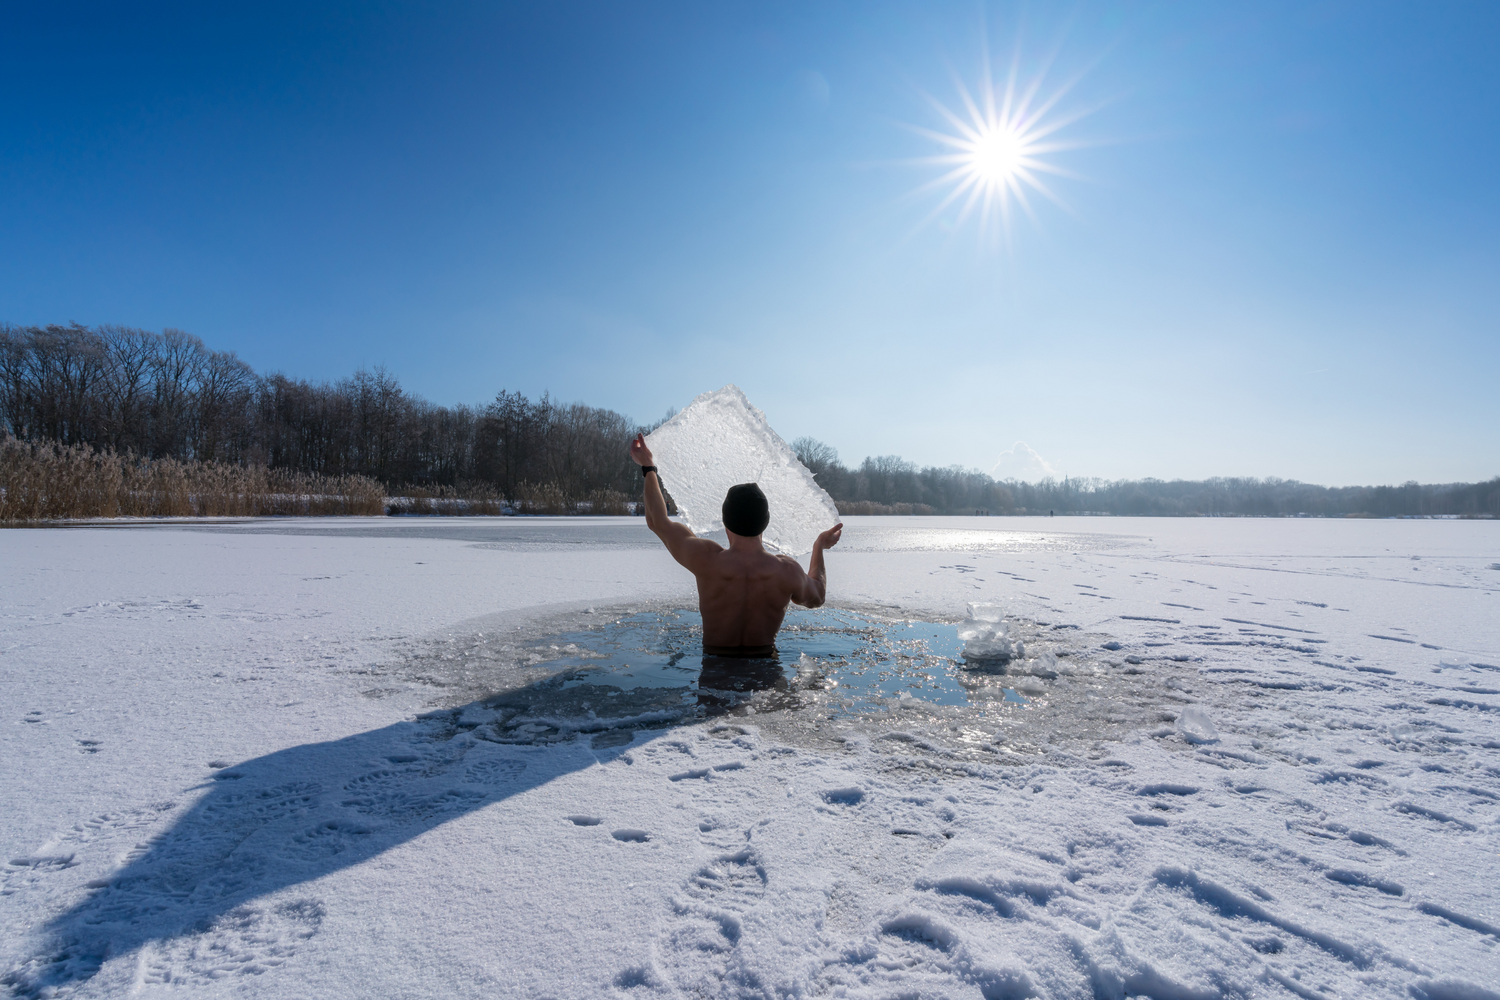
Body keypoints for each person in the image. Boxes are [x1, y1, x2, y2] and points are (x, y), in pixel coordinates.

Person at [629, 432, 842, 657]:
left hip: (715, 670)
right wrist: (819, 545)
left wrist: (648, 467)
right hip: (764, 670)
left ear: (725, 521)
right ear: (765, 522)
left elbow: (657, 521)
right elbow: (817, 596)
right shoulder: (786, 570)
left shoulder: (706, 560)